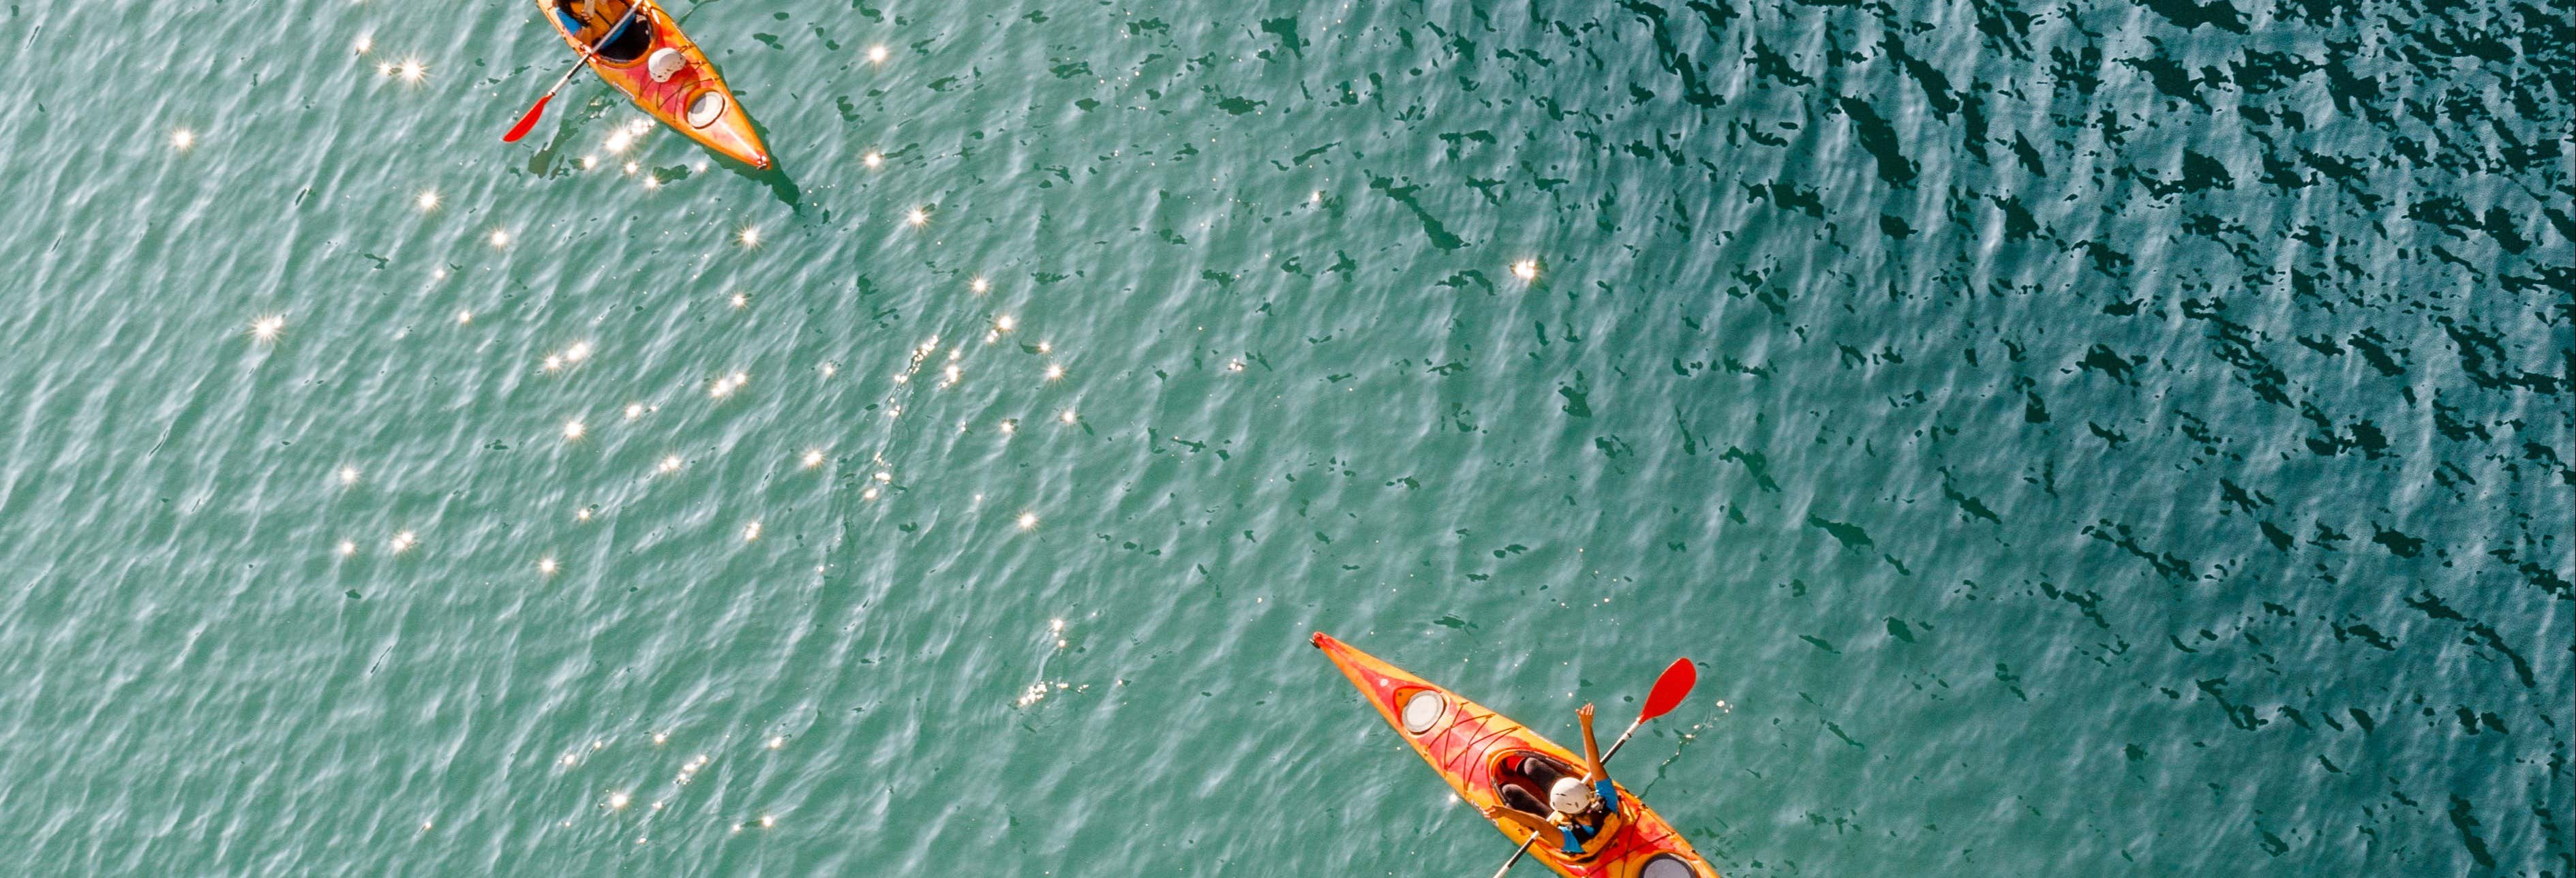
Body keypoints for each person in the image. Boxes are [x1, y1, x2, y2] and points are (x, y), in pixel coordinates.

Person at [1482, 703, 1620, 856]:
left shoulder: (1571, 840)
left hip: (1584, 844)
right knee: (1531, 766)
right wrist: (1587, 727)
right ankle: (1518, 769)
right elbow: (1595, 765)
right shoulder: (1609, 803)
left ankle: (1510, 776)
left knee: (1511, 791)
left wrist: (1506, 813)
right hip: (1599, 823)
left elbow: (1539, 824)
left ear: (1563, 814)